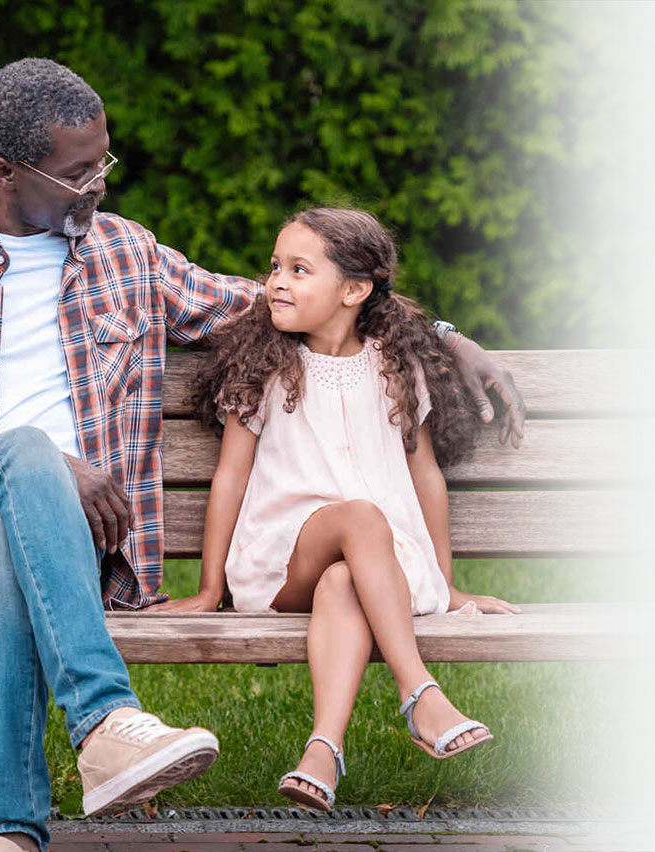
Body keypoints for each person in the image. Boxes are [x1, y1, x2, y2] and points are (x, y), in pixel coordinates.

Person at [0, 58, 526, 852]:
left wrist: (441, 333)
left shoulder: (129, 255)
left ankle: (10, 831)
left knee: (0, 543)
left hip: (60, 540)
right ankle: (106, 718)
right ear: (4, 173)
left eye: (104, 161)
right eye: (77, 172)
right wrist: (33, 463)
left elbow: (297, 295)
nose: (98, 184)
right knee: (23, 456)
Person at [150, 208, 519, 811]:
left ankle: (322, 750)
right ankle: (418, 692)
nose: (276, 282)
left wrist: (446, 587)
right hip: (281, 560)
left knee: (347, 576)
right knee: (359, 516)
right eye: (274, 267)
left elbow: (424, 476)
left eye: (299, 269)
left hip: (380, 565)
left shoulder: (395, 366)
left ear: (354, 290)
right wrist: (208, 585)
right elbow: (231, 476)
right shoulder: (264, 364)